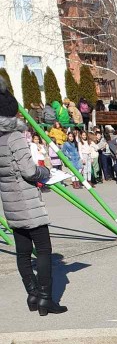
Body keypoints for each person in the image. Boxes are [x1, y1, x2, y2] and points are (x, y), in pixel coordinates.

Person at [0, 78, 67, 315]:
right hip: (28, 202)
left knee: (22, 252)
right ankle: (46, 298)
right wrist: (47, 172)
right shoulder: (15, 138)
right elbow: (29, 171)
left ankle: (32, 294)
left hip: (10, 203)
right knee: (44, 250)